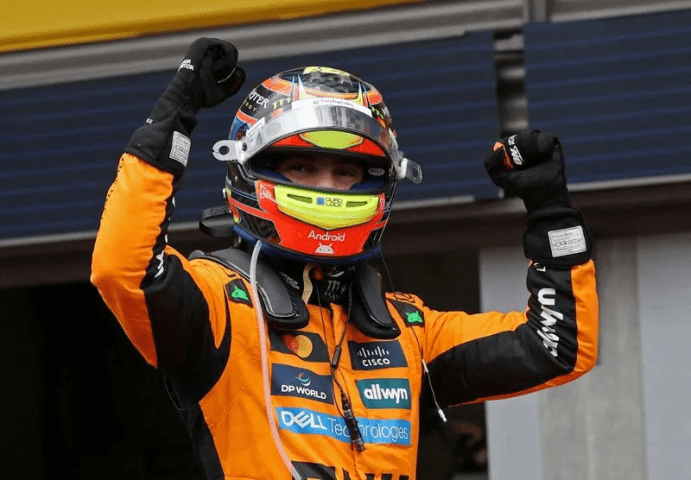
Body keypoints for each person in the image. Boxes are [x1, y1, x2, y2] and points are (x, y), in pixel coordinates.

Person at [91, 38, 599, 480]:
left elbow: (558, 346)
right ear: (250, 170)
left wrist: (551, 213)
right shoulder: (221, 305)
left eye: (346, 173)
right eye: (301, 167)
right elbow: (122, 269)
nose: (327, 188)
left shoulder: (407, 331)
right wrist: (172, 123)